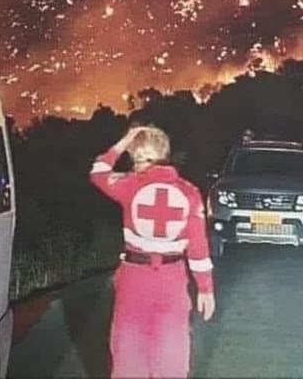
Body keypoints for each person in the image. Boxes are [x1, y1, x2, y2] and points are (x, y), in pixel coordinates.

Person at [90, 125, 215, 379]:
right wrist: (205, 288)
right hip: (171, 280)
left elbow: (98, 171)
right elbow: (198, 248)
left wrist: (124, 140)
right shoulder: (189, 192)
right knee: (171, 356)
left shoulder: (129, 185)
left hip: (133, 278)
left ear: (136, 157)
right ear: (165, 154)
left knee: (128, 354)